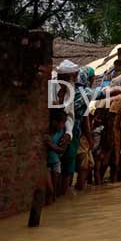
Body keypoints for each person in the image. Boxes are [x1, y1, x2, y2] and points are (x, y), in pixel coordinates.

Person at [53, 60, 79, 196]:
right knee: (53, 165)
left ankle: (60, 196)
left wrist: (68, 133)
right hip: (51, 131)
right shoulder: (51, 88)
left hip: (64, 130)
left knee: (67, 161)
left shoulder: (71, 89)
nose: (76, 78)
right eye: (74, 75)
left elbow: (70, 115)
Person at [45, 109, 67, 204]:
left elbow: (62, 149)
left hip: (56, 163)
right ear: (54, 122)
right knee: (50, 189)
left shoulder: (62, 134)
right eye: (62, 122)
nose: (63, 125)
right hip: (46, 165)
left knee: (53, 191)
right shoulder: (46, 131)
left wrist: (51, 145)